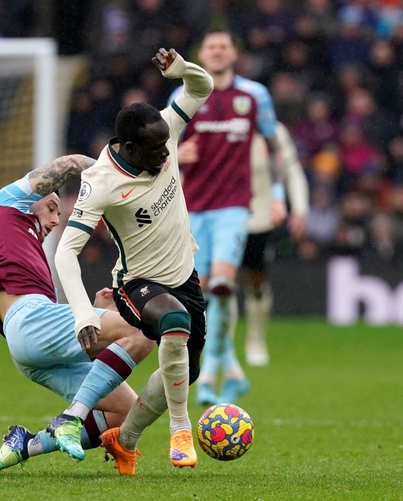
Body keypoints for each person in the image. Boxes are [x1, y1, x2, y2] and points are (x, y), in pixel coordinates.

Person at [54, 47, 213, 474]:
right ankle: (181, 427)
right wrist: (82, 314)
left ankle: (125, 440)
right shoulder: (100, 182)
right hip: (136, 285)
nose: (166, 155)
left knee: (186, 370)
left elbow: (203, 86)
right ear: (127, 146)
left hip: (184, 275)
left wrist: (181, 70)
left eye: (167, 143)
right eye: (155, 149)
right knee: (174, 324)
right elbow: (65, 251)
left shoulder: (165, 130)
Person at [0, 154, 155, 475]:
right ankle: (72, 417)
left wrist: (99, 312)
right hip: (30, 321)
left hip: (29, 344)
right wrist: (120, 180)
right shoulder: (5, 205)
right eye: (52, 208)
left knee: (125, 412)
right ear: (30, 198)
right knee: (142, 329)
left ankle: (25, 444)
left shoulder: (22, 246)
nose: (57, 219)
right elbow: (71, 162)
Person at [168, 29, 286, 406]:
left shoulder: (254, 95)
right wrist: (175, 153)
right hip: (193, 208)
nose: (217, 52)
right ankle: (226, 368)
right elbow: (160, 146)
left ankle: (208, 378)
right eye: (211, 47)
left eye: (223, 46)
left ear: (234, 52)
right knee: (200, 296)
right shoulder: (184, 94)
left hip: (235, 207)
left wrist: (279, 194)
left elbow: (275, 146)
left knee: (221, 283)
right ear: (201, 54)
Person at [242, 122, 309, 367]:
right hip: (220, 214)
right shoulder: (214, 124)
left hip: (260, 217)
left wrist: (299, 209)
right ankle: (220, 345)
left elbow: (291, 169)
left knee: (256, 279)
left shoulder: (273, 130)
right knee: (219, 283)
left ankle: (256, 338)